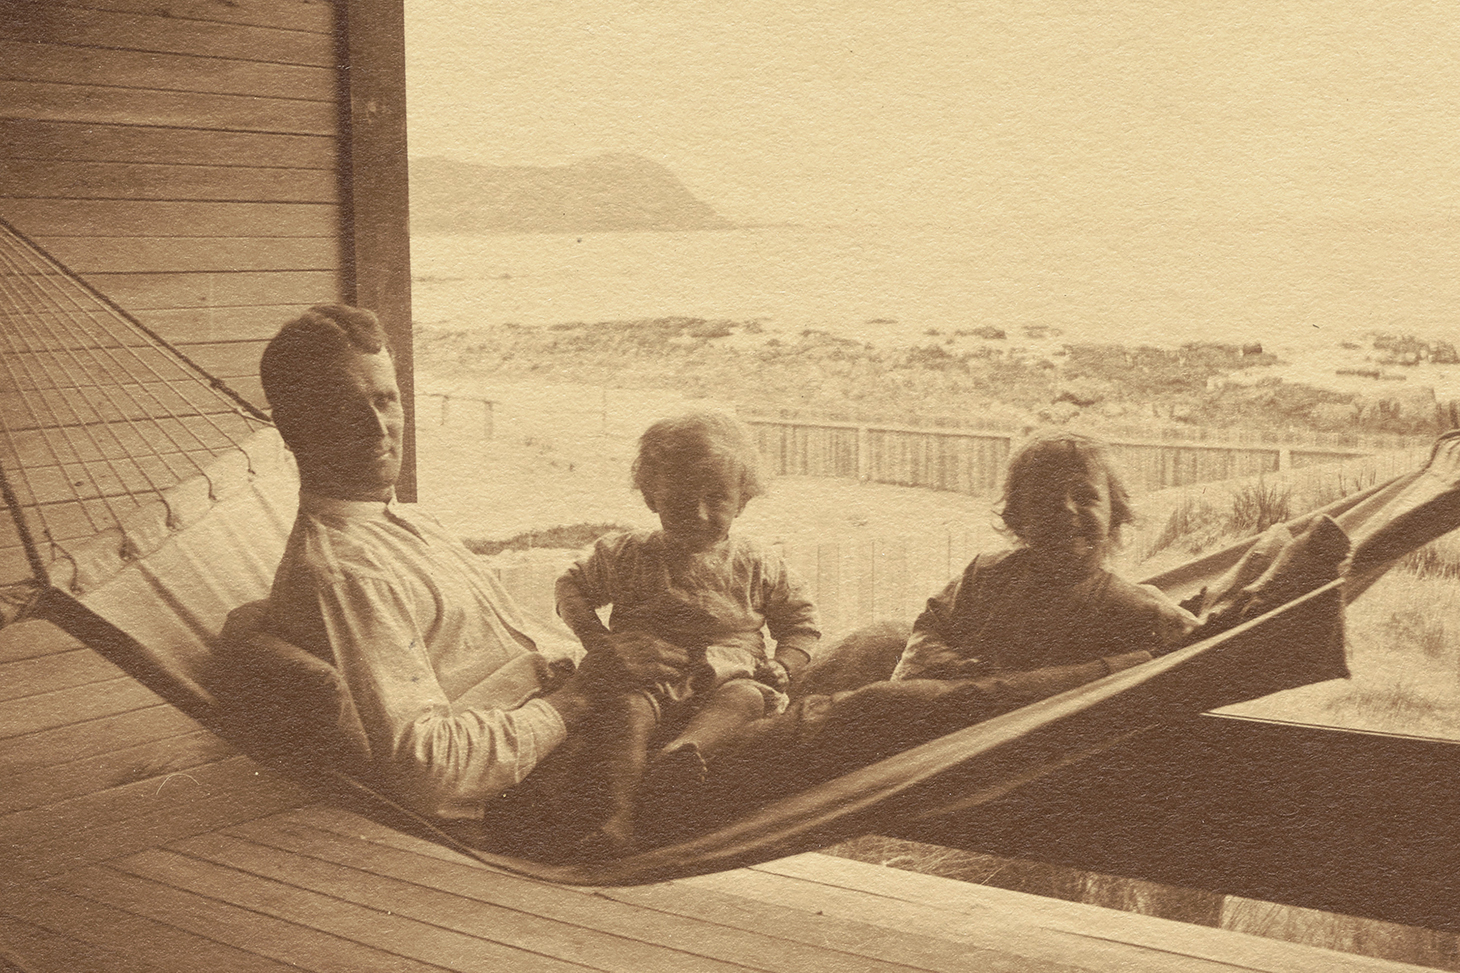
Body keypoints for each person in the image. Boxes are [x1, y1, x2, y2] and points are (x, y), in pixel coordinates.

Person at [255, 304, 682, 833]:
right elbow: (427, 768)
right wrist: (582, 694)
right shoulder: (347, 572)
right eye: (346, 407)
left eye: (386, 399)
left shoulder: (410, 522)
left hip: (598, 727)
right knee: (803, 735)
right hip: (561, 785)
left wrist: (606, 663)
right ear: (295, 429)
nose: (377, 427)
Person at [556, 410, 820, 850]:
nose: (698, 514)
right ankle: (617, 820)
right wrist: (599, 641)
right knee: (625, 712)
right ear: (650, 497)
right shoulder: (626, 553)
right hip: (647, 681)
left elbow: (801, 624)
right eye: (680, 500)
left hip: (729, 679)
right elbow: (571, 587)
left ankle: (683, 750)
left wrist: (782, 664)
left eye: (716, 499)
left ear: (743, 500)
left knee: (747, 698)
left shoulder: (759, 563)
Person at [892, 431, 1196, 682]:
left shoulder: (1134, 607)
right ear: (1018, 518)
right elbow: (928, 632)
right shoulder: (984, 574)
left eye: (1084, 496)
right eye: (1045, 499)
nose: (1066, 508)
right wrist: (963, 672)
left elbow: (1194, 647)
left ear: (1114, 513)